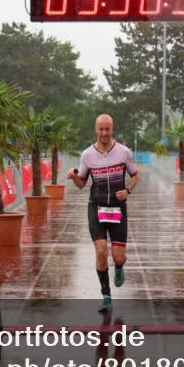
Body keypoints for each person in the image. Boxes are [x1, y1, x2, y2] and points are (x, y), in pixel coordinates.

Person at [68, 114, 139, 312]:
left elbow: (135, 176)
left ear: (112, 129)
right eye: (101, 129)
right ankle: (106, 295)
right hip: (96, 207)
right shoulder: (87, 155)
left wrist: (128, 191)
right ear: (95, 129)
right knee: (101, 250)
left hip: (117, 208)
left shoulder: (124, 152)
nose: (105, 133)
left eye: (108, 129)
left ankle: (118, 267)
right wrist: (74, 176)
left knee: (118, 257)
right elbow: (82, 183)